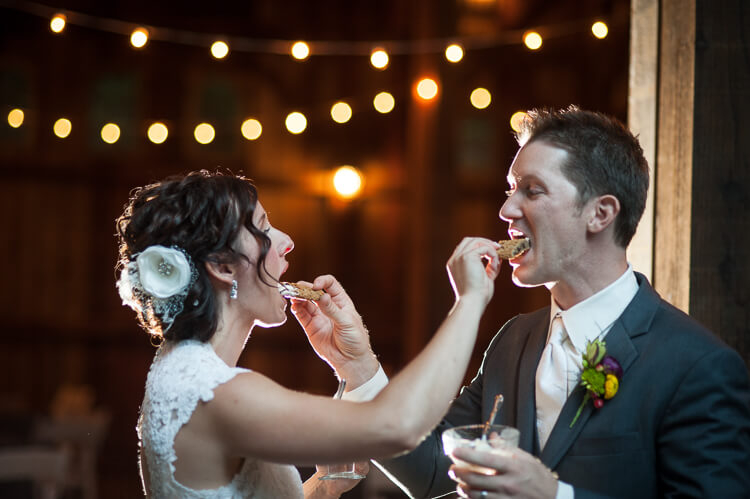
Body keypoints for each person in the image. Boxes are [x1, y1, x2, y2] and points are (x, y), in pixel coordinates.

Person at [322, 106, 750, 498]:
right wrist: (358, 367)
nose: (507, 209)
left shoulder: (697, 365)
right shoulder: (513, 341)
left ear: (600, 214)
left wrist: (556, 497)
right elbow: (433, 469)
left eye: (532, 190)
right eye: (510, 189)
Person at [115, 170, 503, 498]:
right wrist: (469, 302)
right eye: (264, 228)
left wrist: (323, 486)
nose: (286, 242)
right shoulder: (215, 394)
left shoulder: (175, 368)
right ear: (223, 266)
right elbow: (396, 426)